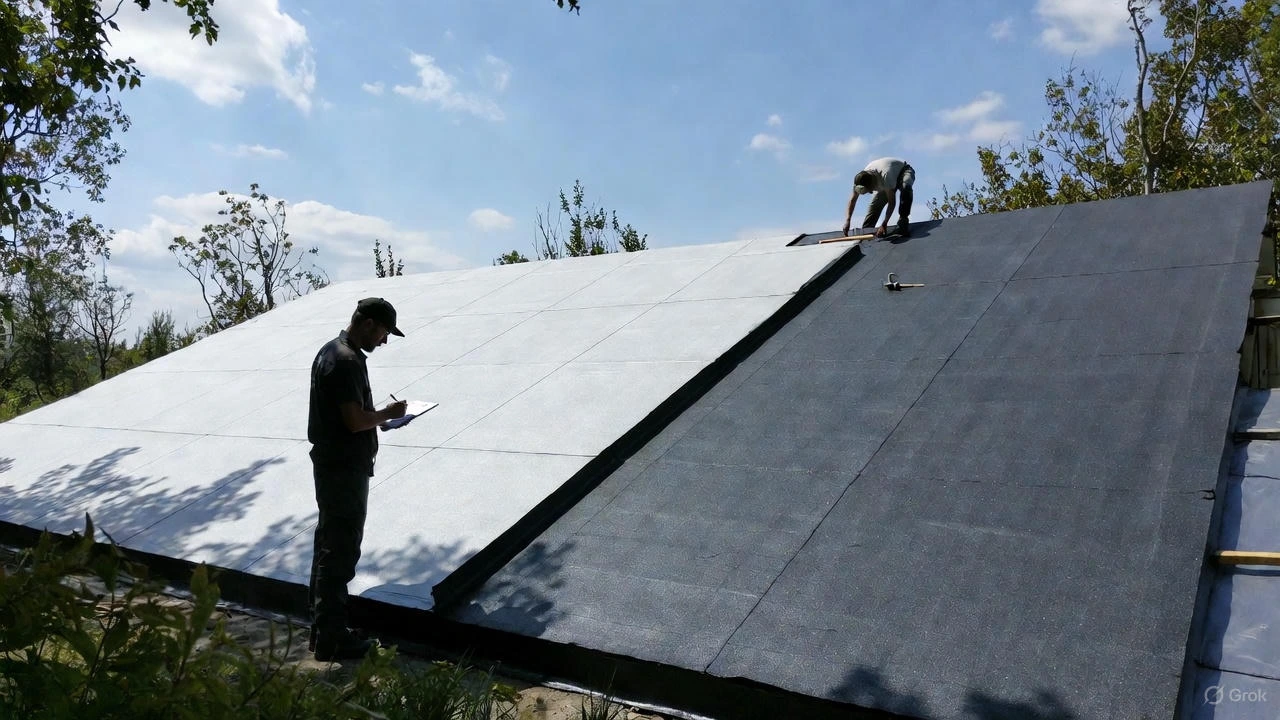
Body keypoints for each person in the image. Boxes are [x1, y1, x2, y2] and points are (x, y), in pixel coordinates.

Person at [306, 297, 408, 661]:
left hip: (333, 464)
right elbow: (353, 421)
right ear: (367, 324)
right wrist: (387, 413)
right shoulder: (347, 360)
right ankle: (333, 638)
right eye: (382, 332)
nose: (383, 341)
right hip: (343, 468)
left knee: (327, 546)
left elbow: (347, 414)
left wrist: (375, 417)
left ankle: (323, 631)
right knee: (341, 550)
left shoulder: (330, 352)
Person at [841, 157, 916, 238]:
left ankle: (903, 222)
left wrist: (884, 223)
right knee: (874, 206)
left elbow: (892, 202)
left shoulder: (885, 176)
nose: (870, 192)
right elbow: (852, 201)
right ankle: (867, 231)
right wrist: (847, 220)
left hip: (903, 171)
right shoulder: (859, 180)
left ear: (872, 183)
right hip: (886, 183)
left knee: (906, 187)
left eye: (869, 190)